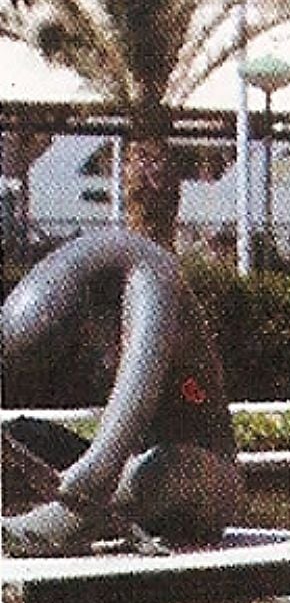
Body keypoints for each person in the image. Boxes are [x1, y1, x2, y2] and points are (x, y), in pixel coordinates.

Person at [2, 229, 242, 556]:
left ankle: (45, 528)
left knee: (158, 468)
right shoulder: (90, 292)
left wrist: (84, 480)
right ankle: (76, 511)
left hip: (199, 481)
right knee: (21, 434)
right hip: (129, 472)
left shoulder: (150, 280)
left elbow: (109, 454)